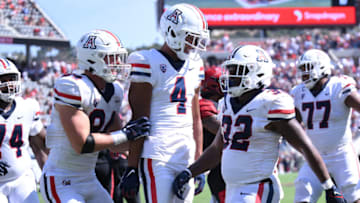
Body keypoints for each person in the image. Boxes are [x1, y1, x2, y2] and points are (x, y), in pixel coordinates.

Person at [172, 45, 346, 203]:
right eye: (230, 70)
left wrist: (329, 187)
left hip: (257, 189)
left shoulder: (270, 103)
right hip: (233, 188)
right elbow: (217, 149)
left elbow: (305, 146)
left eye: (236, 70)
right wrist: (190, 172)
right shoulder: (227, 103)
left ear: (257, 73)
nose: (230, 76)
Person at [39, 29, 150, 203]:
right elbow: (81, 144)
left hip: (89, 179)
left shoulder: (115, 91)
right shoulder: (72, 86)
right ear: (92, 58)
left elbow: (117, 146)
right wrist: (126, 134)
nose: (117, 63)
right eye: (111, 57)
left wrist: (148, 139)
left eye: (118, 57)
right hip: (61, 180)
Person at [119, 3, 210, 203]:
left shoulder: (196, 65)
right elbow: (139, 121)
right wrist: (132, 167)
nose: (194, 44)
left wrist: (199, 162)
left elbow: (195, 120)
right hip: (157, 153)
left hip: (185, 154)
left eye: (197, 39)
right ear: (171, 32)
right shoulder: (146, 60)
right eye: (190, 38)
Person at [290, 49, 360, 203]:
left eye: (307, 68)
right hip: (315, 156)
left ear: (320, 67)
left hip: (341, 153)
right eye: (302, 70)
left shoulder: (338, 86)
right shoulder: (298, 93)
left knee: (353, 195)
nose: (303, 74)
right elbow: (291, 125)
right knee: (303, 194)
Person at [0, 58, 48, 203]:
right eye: (4, 80)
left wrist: (48, 175)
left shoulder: (28, 107)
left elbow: (40, 146)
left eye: (12, 79)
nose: (10, 84)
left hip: (21, 179)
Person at [199, 66, 226, 203]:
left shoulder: (219, 104)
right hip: (215, 169)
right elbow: (223, 132)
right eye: (222, 81)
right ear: (212, 85)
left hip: (218, 166)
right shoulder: (204, 105)